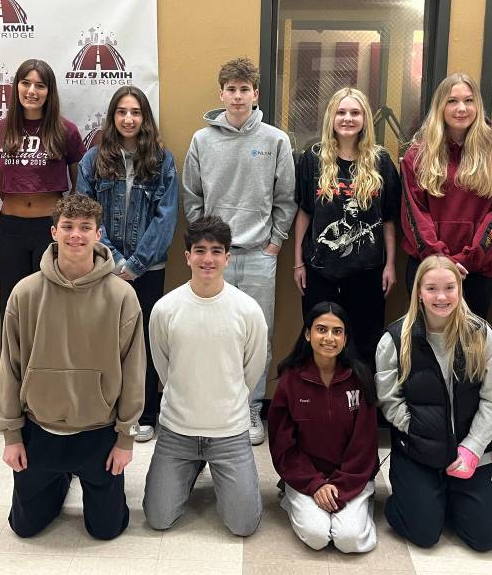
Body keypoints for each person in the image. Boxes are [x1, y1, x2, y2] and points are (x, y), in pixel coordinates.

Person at [0, 194, 145, 540]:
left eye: (85, 228)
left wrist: (126, 439)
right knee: (24, 528)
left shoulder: (122, 296)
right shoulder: (25, 293)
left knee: (107, 530)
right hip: (40, 430)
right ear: (53, 232)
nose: (76, 235)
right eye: (68, 227)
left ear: (98, 234)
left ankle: (82, 475)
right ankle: (59, 477)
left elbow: (134, 371)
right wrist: (11, 436)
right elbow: (10, 366)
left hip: (99, 431)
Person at [182, 57, 295, 445]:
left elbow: (286, 199)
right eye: (231, 89)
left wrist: (276, 243)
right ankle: (215, 407)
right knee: (210, 331)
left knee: (256, 335)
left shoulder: (275, 140)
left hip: (260, 255)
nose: (237, 96)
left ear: (255, 94)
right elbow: (192, 197)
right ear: (221, 93)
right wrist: (205, 246)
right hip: (214, 256)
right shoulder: (202, 141)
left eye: (244, 89)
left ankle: (250, 409)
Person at [143, 216, 267, 536]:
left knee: (243, 525)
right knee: (158, 518)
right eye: (200, 250)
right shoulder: (165, 309)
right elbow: (164, 368)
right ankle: (191, 466)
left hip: (229, 433)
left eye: (216, 251)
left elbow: (250, 374)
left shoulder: (248, 311)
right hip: (177, 432)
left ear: (228, 257)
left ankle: (215, 465)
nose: (207, 259)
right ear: (187, 257)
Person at [375, 255, 492, 551]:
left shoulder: (480, 335)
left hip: (467, 450)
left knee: (485, 538)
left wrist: (472, 448)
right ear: (419, 292)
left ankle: (450, 496)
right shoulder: (396, 338)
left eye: (449, 287)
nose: (441, 297)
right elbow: (389, 400)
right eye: (432, 288)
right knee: (424, 534)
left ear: (460, 289)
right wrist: (423, 434)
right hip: (418, 448)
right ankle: (418, 496)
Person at [77, 85, 178, 443]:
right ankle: (107, 410)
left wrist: (135, 263)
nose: (129, 119)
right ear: (112, 117)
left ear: (145, 117)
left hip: (148, 269)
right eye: (122, 112)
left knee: (145, 342)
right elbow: (85, 214)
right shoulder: (92, 160)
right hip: (104, 268)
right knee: (106, 341)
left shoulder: (162, 160)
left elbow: (166, 217)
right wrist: (115, 260)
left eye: (135, 112)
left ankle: (145, 411)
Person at [293, 87, 400, 366]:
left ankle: (362, 405)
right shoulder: (312, 158)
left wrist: (390, 265)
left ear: (365, 118)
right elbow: (304, 212)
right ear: (331, 117)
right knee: (319, 341)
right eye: (341, 112)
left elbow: (388, 218)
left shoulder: (381, 161)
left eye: (355, 112)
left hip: (368, 271)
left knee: (365, 343)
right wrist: (298, 263)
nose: (348, 118)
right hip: (320, 270)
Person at [268, 301, 379, 553]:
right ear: (308, 334)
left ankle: (363, 503)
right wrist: (315, 484)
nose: (329, 338)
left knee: (348, 540)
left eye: (337, 331)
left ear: (345, 338)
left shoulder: (360, 379)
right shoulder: (290, 380)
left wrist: (342, 484)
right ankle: (291, 497)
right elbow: (282, 444)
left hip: (352, 476)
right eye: (321, 329)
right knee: (317, 536)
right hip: (306, 477)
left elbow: (365, 444)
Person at [399, 74, 492, 321]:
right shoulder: (417, 155)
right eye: (452, 101)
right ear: (440, 106)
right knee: (425, 344)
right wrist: (439, 259)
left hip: (475, 269)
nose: (461, 108)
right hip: (427, 268)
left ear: (477, 106)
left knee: (469, 346)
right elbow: (414, 213)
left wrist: (470, 258)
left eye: (468, 101)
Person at [0, 59, 84, 320]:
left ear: (49, 92)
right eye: (26, 83)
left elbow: (79, 185)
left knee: (50, 306)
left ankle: (48, 362)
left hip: (50, 229)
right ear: (16, 87)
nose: (32, 91)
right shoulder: (1, 129)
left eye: (40, 85)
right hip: (11, 230)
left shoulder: (67, 130)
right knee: (11, 306)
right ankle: (13, 362)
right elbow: (0, 181)